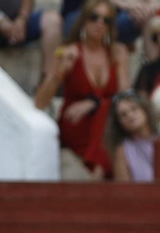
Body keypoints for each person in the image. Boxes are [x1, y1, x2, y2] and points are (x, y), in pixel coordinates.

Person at [35, 0, 132, 180]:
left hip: (106, 139)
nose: (99, 24)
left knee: (107, 112)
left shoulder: (118, 52)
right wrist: (61, 70)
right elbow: (40, 102)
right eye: (93, 17)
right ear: (83, 20)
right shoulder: (68, 52)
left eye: (107, 20)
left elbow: (124, 99)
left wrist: (93, 103)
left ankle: (98, 171)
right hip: (75, 138)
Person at [104, 91, 157, 182]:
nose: (130, 115)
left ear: (144, 109)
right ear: (119, 123)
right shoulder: (122, 149)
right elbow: (124, 189)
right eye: (123, 115)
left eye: (134, 109)